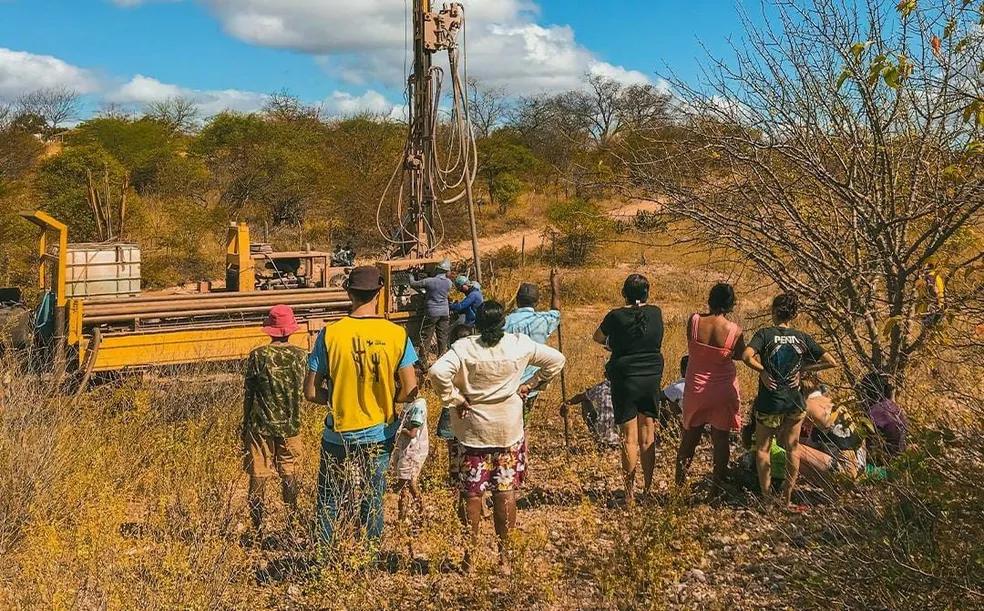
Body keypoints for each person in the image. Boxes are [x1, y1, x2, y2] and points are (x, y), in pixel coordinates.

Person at [429, 301, 565, 573]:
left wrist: (455, 398)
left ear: (477, 324)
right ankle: (504, 557)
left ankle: (471, 556)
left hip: (472, 431)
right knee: (505, 491)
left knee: (472, 493)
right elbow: (557, 360)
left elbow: (436, 372)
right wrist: (534, 384)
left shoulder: (464, 348)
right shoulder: (518, 345)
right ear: (503, 323)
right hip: (507, 429)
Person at [304, 265, 419, 550]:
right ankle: (370, 556)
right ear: (379, 293)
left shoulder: (330, 335)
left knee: (329, 498)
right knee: (373, 496)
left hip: (339, 433)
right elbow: (410, 390)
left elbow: (309, 391)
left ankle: (323, 557)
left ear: (348, 293)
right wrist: (389, 398)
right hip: (379, 434)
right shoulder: (396, 334)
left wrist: (334, 398)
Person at [741, 292, 837, 509]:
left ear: (774, 311)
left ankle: (766, 499)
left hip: (770, 401)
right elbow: (830, 361)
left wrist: (763, 371)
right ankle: (787, 498)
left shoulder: (765, 334)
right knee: (792, 448)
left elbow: (747, 356)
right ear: (793, 314)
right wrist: (804, 368)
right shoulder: (802, 337)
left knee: (763, 449)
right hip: (794, 401)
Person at [593, 273, 665, 507]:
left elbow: (598, 337)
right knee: (648, 433)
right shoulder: (656, 312)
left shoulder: (616, 316)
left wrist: (612, 345)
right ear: (647, 293)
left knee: (628, 438)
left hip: (626, 377)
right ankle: (648, 489)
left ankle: (629, 494)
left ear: (624, 293)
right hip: (652, 374)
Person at [242, 305, 308, 542]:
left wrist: (244, 424)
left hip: (259, 425)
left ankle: (258, 529)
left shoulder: (257, 356)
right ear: (291, 329)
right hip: (291, 425)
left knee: (258, 475)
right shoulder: (302, 356)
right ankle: (292, 522)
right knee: (289, 473)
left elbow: (248, 394)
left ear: (269, 330)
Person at [675, 283, 746, 489]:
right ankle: (717, 486)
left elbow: (691, 343)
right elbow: (740, 355)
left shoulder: (695, 321)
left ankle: (679, 486)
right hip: (723, 388)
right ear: (731, 304)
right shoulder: (734, 330)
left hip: (697, 388)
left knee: (690, 436)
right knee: (721, 439)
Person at [504, 268, 562, 425]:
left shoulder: (505, 321)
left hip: (508, 380)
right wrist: (554, 284)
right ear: (536, 302)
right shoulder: (543, 320)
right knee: (524, 421)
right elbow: (556, 311)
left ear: (517, 300)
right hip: (531, 381)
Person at [392, 397, 429, 534]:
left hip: (413, 450)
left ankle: (421, 512)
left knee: (407, 483)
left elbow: (413, 433)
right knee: (406, 484)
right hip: (405, 449)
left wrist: (398, 429)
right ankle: (402, 517)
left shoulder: (418, 406)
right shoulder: (409, 404)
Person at [410, 258, 454, 369]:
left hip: (432, 312)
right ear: (447, 271)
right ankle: (443, 360)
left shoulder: (429, 281)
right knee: (442, 337)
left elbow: (413, 284)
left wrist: (410, 274)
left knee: (425, 336)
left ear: (437, 269)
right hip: (444, 312)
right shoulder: (449, 283)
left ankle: (423, 363)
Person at [860, 373, 908, 462]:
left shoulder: (874, 411)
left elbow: (867, 441)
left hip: (884, 460)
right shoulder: (896, 407)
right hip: (902, 457)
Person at [561, 380, 620, 450]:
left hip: (601, 435)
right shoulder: (625, 387)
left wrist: (567, 403)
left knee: (585, 399)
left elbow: (579, 397)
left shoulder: (601, 388)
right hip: (621, 437)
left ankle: (597, 436)